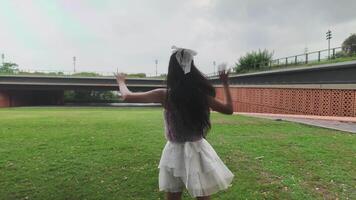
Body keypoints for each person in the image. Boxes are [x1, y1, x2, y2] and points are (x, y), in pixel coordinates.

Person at [115, 46, 234, 200]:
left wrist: (121, 81)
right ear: (192, 66)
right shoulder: (201, 95)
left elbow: (127, 96)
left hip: (174, 151)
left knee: (173, 195)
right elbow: (229, 109)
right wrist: (225, 83)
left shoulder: (164, 95)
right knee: (203, 195)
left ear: (172, 69)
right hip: (198, 150)